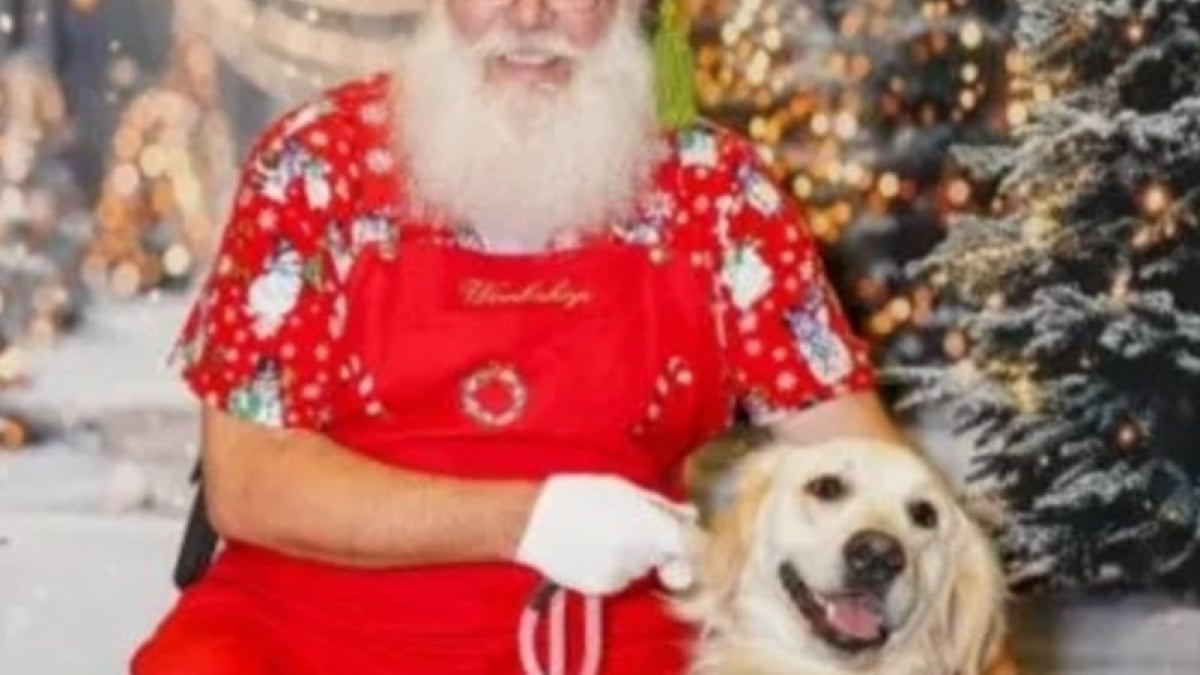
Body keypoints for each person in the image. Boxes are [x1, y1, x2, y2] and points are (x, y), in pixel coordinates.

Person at [131, 0, 1009, 673]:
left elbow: (875, 473)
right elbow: (249, 486)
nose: (528, 15)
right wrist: (530, 518)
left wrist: (978, 651)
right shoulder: (312, 163)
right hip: (307, 626)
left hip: (606, 636)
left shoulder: (720, 194)